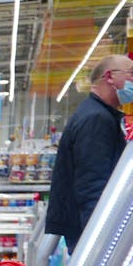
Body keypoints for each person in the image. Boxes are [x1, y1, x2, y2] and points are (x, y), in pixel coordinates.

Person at [45, 54, 133, 251]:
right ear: (109, 76)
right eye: (131, 74)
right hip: (89, 230)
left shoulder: (96, 113)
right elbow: (93, 184)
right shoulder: (96, 119)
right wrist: (99, 241)